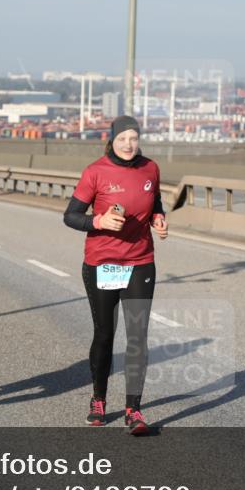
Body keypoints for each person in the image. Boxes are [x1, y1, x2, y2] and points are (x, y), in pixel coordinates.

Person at [63, 115, 168, 435]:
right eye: (122, 138)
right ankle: (98, 399)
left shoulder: (150, 168)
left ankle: (133, 409)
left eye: (134, 138)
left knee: (137, 338)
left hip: (139, 261)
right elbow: (70, 216)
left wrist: (159, 217)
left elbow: (155, 200)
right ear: (111, 140)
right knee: (105, 334)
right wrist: (99, 222)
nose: (128, 144)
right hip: (103, 262)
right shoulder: (96, 171)